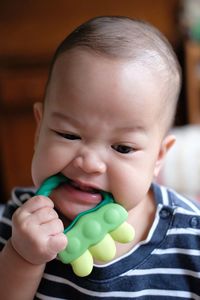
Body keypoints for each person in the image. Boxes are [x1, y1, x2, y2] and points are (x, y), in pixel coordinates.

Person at [0, 15, 199, 300]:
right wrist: (22, 257)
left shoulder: (191, 237)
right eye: (68, 134)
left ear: (158, 157)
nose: (89, 163)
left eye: (123, 148)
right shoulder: (18, 222)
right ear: (38, 130)